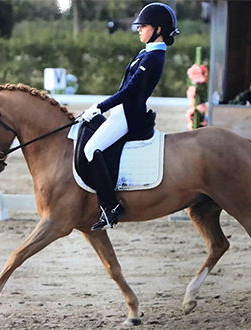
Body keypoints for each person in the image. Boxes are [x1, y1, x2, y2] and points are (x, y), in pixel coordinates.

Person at [78, 3, 179, 231]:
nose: (138, 29)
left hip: (129, 115)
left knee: (91, 149)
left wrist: (100, 107)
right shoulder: (146, 51)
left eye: (143, 26)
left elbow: (130, 91)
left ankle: (110, 206)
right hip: (121, 111)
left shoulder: (154, 57)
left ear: (159, 29)